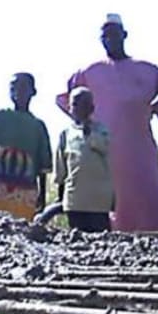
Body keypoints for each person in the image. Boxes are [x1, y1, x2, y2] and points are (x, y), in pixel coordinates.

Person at [57, 13, 158, 232]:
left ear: (124, 35)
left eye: (113, 34)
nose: (109, 40)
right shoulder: (89, 71)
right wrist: (84, 127)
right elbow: (65, 99)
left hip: (140, 147)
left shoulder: (147, 69)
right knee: (110, 195)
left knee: (149, 192)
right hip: (101, 147)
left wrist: (156, 110)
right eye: (104, 36)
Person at [0, 73, 52, 221]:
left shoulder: (38, 126)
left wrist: (42, 194)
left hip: (25, 191)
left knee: (21, 230)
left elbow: (43, 165)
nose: (17, 91)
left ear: (33, 91)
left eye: (22, 87)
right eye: (13, 87)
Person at [54, 87, 114, 233]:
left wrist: (88, 132)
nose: (80, 109)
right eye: (75, 104)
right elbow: (60, 168)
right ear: (69, 108)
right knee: (78, 241)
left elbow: (104, 148)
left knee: (101, 241)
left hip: (99, 201)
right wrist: (61, 197)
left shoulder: (102, 130)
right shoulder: (65, 134)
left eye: (85, 104)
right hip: (75, 200)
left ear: (92, 108)